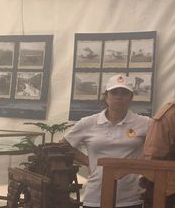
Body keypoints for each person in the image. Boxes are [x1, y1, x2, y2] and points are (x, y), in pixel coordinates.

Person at [62, 75, 151, 208]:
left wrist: (140, 164)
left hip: (131, 198)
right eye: (114, 92)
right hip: (95, 196)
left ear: (131, 97)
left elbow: (158, 147)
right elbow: (64, 145)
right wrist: (88, 161)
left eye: (124, 93)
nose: (119, 97)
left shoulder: (145, 123)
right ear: (106, 96)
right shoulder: (88, 123)